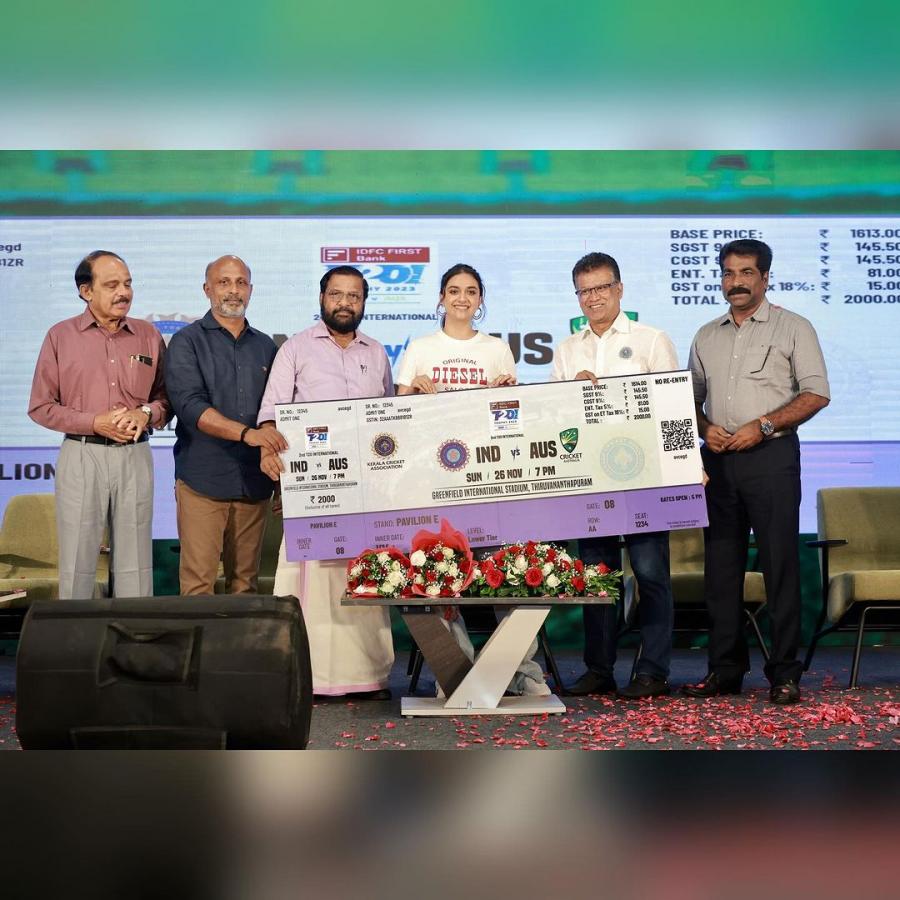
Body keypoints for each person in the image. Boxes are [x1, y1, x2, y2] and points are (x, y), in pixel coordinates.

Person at [396, 262, 551, 698]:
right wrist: (411, 391)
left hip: (489, 479)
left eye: (470, 291)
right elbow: (397, 417)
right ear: (441, 298)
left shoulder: (497, 349)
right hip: (433, 480)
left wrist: (507, 396)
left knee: (508, 570)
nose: (461, 298)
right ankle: (455, 670)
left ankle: (520, 670)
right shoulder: (421, 348)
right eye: (453, 290)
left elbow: (511, 422)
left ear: (480, 299)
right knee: (440, 574)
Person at [685, 239, 829, 705]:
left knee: (779, 565)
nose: (737, 282)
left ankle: (784, 673)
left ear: (765, 277)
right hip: (718, 462)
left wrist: (763, 426)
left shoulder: (794, 327)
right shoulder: (706, 335)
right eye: (729, 273)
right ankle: (724, 669)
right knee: (721, 570)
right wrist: (705, 429)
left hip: (771, 459)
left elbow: (816, 394)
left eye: (746, 273)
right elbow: (689, 402)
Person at [258, 265, 395, 701]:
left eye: (354, 296)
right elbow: (271, 413)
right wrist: (268, 454)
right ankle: (310, 677)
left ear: (364, 302)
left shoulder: (377, 352)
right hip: (313, 485)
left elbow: (389, 417)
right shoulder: (295, 349)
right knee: (313, 583)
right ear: (322, 298)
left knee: (363, 573)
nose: (345, 303)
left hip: (366, 488)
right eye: (337, 294)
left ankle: (368, 676)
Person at [552, 251, 678, 699]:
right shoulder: (567, 350)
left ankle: (653, 670)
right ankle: (599, 669)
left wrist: (685, 468)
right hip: (591, 478)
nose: (593, 298)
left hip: (645, 477)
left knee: (650, 573)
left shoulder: (651, 340)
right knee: (598, 575)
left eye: (601, 288)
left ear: (619, 289)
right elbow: (557, 421)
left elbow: (672, 408)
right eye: (584, 291)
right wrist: (570, 397)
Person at [28, 250, 171, 598]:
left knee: (136, 565)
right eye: (112, 285)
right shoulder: (60, 336)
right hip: (82, 454)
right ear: (86, 291)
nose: (124, 292)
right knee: (77, 563)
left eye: (127, 284)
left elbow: (166, 399)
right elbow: (41, 407)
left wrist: (145, 414)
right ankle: (74, 634)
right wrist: (94, 422)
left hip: (134, 455)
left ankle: (132, 634)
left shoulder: (148, 335)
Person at [164, 255, 287, 595]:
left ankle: (242, 636)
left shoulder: (266, 346)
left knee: (245, 586)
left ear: (251, 290)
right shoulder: (186, 342)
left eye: (241, 283)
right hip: (203, 480)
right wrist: (247, 434)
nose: (233, 290)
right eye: (224, 282)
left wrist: (282, 478)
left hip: (254, 482)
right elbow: (190, 407)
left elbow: (277, 413)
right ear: (207, 289)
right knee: (198, 585)